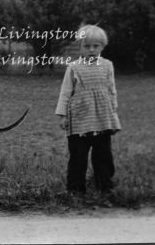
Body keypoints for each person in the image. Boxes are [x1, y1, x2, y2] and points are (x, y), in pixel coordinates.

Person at [55, 24, 121, 196]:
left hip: (102, 119)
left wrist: (113, 114)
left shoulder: (108, 66)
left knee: (103, 156)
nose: (91, 50)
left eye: (95, 46)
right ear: (80, 46)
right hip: (79, 120)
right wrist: (62, 116)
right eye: (87, 46)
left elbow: (112, 91)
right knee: (78, 157)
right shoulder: (74, 67)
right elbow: (65, 92)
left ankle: (105, 187)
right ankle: (75, 190)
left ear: (102, 46)